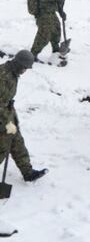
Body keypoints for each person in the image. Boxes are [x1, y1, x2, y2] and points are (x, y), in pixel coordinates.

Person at [0, 50, 47, 182]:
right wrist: (7, 122)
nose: (25, 71)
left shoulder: (12, 73)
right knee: (2, 148)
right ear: (19, 64)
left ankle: (27, 172)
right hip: (2, 118)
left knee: (17, 141)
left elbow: (6, 101)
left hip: (6, 116)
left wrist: (12, 117)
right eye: (25, 68)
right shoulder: (3, 77)